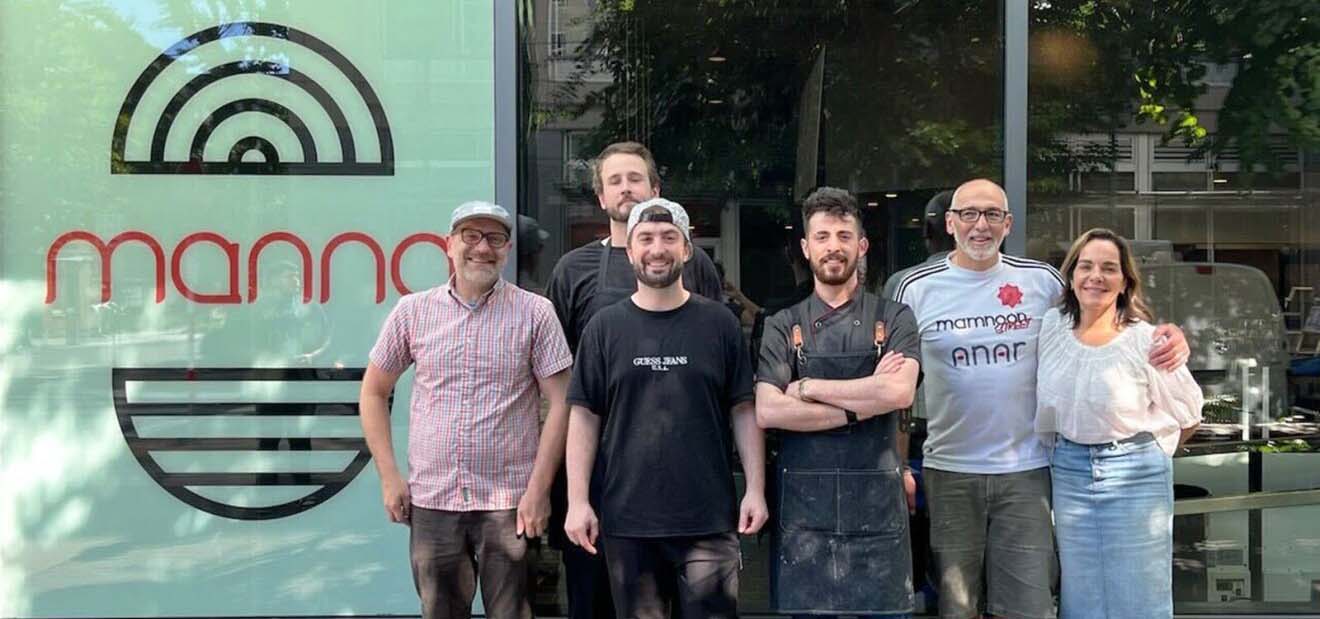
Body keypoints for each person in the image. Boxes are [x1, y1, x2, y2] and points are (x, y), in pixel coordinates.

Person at [891, 179, 1189, 619]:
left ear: (1008, 223)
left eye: (993, 214)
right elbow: (896, 387)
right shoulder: (914, 288)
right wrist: (898, 465)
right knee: (957, 607)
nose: (981, 225)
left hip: (1028, 472)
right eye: (969, 214)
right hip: (950, 471)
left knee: (1028, 607)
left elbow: (1100, 317)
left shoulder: (1041, 281)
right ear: (950, 223)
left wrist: (1167, 335)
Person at [359, 201, 573, 619]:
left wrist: (538, 491)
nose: (482, 248)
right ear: (449, 245)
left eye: (494, 238)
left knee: (512, 614)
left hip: (509, 503)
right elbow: (373, 392)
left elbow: (563, 402)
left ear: (507, 249)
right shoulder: (413, 312)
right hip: (434, 501)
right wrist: (389, 478)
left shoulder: (535, 313)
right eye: (470, 236)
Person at [563, 198, 768, 618]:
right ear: (631, 251)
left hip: (708, 520)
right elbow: (584, 415)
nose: (658, 248)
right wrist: (578, 500)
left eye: (669, 238)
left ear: (687, 249)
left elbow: (744, 410)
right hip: (628, 520)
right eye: (647, 239)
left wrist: (756, 489)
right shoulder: (604, 327)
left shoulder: (720, 324)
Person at [545, 141, 724, 619]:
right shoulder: (572, 270)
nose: (626, 189)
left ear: (655, 190)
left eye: (636, 179)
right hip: (599, 470)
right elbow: (560, 383)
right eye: (615, 182)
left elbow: (720, 362)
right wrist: (565, 490)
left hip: (685, 478)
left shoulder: (696, 267)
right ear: (600, 198)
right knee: (595, 601)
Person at [755, 187, 922, 617]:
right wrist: (866, 398)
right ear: (806, 247)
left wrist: (809, 387)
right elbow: (769, 410)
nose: (834, 246)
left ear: (861, 246)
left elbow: (899, 392)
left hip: (878, 524)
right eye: (823, 236)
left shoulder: (895, 316)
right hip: (805, 526)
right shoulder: (782, 324)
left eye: (844, 236)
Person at [1036, 228, 1202, 619]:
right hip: (1070, 471)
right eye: (1086, 266)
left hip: (1135, 473)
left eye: (1109, 268)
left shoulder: (1146, 340)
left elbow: (1189, 413)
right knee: (1082, 594)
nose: (1096, 276)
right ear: (1072, 275)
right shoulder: (1049, 327)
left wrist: (1146, 453)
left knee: (1139, 595)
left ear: (1125, 280)